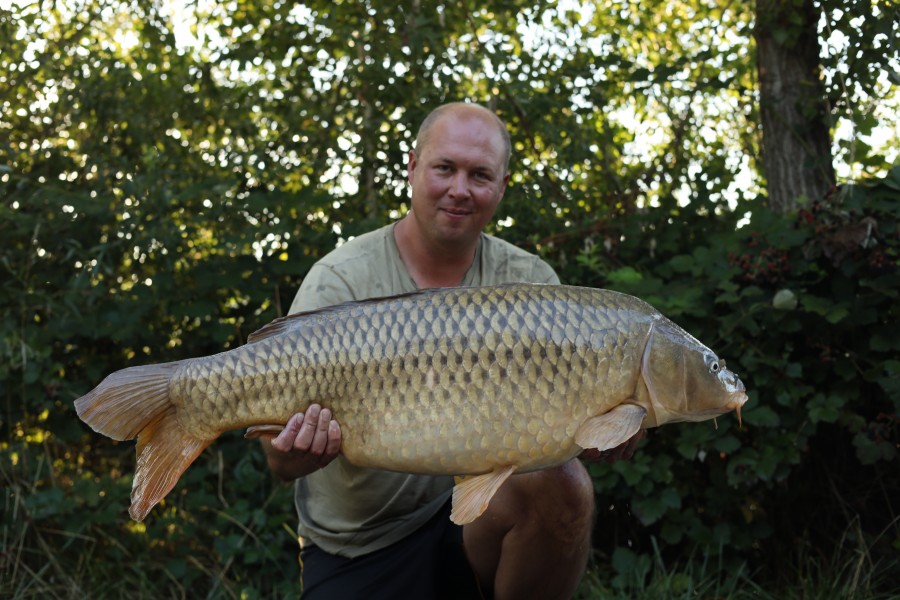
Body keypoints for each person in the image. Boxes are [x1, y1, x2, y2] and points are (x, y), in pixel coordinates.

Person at [260, 102, 642, 599]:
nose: (460, 189)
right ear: (413, 167)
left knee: (565, 483)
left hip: (477, 526)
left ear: (501, 187)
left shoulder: (531, 285)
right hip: (359, 543)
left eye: (479, 174)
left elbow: (575, 438)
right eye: (445, 168)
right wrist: (295, 450)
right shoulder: (341, 280)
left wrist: (613, 428)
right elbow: (278, 462)